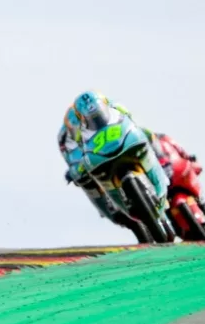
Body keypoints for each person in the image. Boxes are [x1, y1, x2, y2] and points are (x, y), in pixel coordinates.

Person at [58, 91, 169, 235]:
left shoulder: (113, 106)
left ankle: (163, 164)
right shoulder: (65, 137)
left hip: (119, 143)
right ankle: (109, 208)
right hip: (94, 159)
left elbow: (128, 117)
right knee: (87, 183)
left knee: (146, 134)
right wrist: (73, 171)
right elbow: (70, 156)